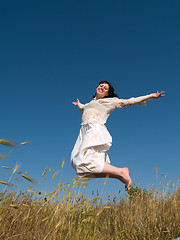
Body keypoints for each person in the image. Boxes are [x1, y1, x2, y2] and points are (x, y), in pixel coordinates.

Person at [71, 81, 165, 191]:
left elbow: (129, 101)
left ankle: (121, 172)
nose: (102, 87)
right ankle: (120, 174)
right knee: (77, 163)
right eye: (101, 86)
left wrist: (150, 96)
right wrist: (79, 104)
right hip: (84, 132)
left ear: (107, 94)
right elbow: (83, 109)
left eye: (105, 88)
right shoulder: (88, 104)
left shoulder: (108, 102)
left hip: (94, 130)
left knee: (86, 161)